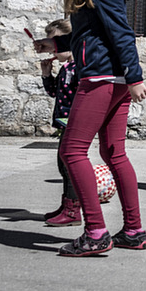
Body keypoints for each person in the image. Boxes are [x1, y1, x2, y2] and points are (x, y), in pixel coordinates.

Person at [35, 0, 146, 256]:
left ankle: (96, 232)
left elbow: (121, 32)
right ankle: (133, 230)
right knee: (114, 153)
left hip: (102, 79)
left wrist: (135, 76)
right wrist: (55, 42)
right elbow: (91, 34)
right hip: (110, 78)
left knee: (72, 151)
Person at [39, 18, 81, 227]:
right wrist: (47, 75)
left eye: (56, 44)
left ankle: (73, 210)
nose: (52, 50)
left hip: (74, 121)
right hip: (64, 122)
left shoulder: (78, 67)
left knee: (68, 165)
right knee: (62, 165)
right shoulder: (66, 67)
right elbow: (55, 92)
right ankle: (67, 205)